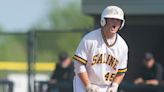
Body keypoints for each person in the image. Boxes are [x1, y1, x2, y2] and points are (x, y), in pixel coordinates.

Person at [73, 6, 128, 92]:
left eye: (118, 20)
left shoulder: (122, 45)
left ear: (122, 24)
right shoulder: (89, 39)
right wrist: (87, 85)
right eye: (111, 19)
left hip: (106, 86)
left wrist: (114, 85)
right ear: (103, 20)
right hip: (84, 83)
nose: (115, 22)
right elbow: (78, 64)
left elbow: (121, 71)